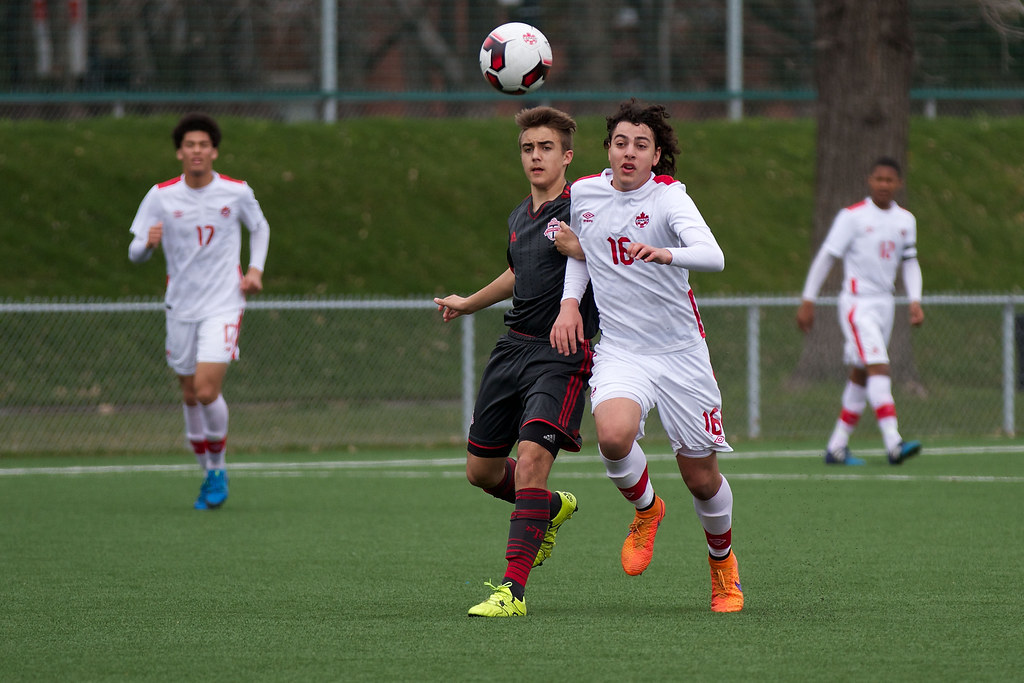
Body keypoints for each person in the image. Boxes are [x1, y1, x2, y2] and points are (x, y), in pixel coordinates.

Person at [551, 99, 743, 613]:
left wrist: (667, 253)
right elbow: (584, 255)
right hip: (622, 349)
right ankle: (647, 509)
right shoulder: (585, 193)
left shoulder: (669, 199)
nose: (629, 152)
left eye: (641, 145)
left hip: (680, 354)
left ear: (656, 155)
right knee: (612, 437)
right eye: (620, 142)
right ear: (608, 149)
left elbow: (714, 256)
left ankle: (723, 566)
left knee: (701, 479)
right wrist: (570, 304)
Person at [433, 106, 599, 617]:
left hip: (561, 354)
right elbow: (515, 275)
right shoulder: (517, 216)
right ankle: (548, 508)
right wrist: (468, 302)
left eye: (546, 147)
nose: (535, 156)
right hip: (513, 349)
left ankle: (512, 591)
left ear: (567, 155)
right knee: (480, 471)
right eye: (528, 148)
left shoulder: (585, 208)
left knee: (530, 461)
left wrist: (584, 250)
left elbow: (614, 258)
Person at [128, 112, 270, 510]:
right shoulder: (160, 196)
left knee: (207, 389)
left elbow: (259, 227)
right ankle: (207, 473)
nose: (196, 151)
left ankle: (218, 469)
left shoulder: (236, 192)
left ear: (214, 151)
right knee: (189, 394)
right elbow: (134, 252)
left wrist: (255, 270)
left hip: (224, 302)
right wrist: (148, 245)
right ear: (179, 152)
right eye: (189, 145)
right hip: (181, 306)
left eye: (203, 145)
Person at [797, 156, 924, 466]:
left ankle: (837, 447)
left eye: (889, 180)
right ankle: (894, 443)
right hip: (858, 304)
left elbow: (910, 262)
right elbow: (827, 257)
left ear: (899, 183)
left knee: (861, 375)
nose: (883, 184)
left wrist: (915, 300)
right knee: (879, 365)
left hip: (886, 304)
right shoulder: (852, 216)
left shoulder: (906, 220)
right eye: (878, 179)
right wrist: (808, 299)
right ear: (870, 180)